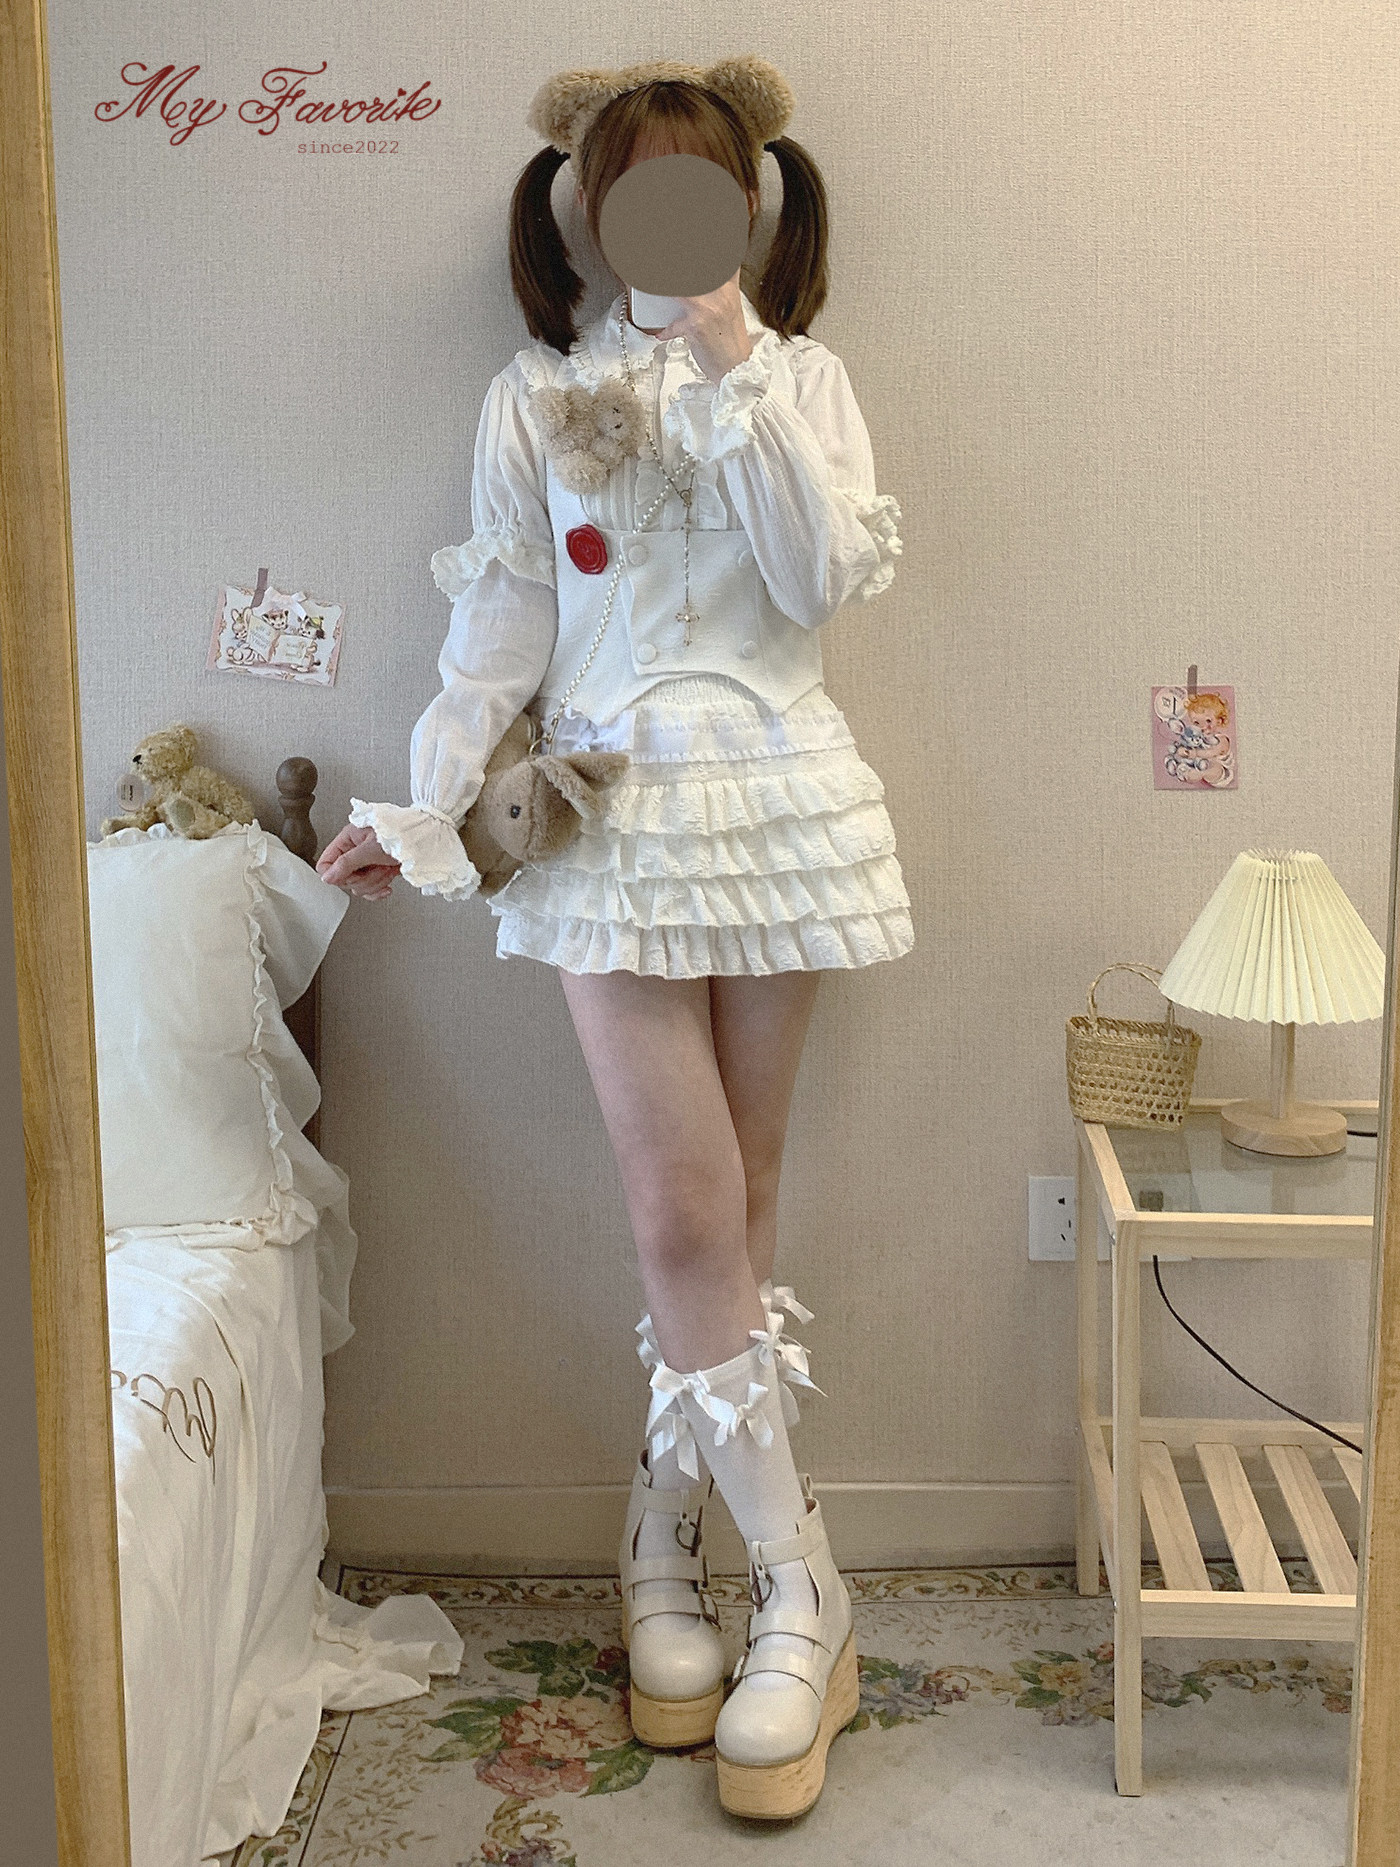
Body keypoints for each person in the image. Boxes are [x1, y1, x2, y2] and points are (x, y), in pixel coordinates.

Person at [316, 55, 912, 1820]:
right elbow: (502, 631)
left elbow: (817, 584)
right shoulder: (533, 397)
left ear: (746, 205)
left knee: (742, 1204)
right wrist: (426, 807)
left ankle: (662, 1538)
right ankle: (800, 1582)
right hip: (603, 820)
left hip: (780, 799)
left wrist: (731, 349)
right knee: (682, 1211)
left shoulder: (804, 381)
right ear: (585, 209)